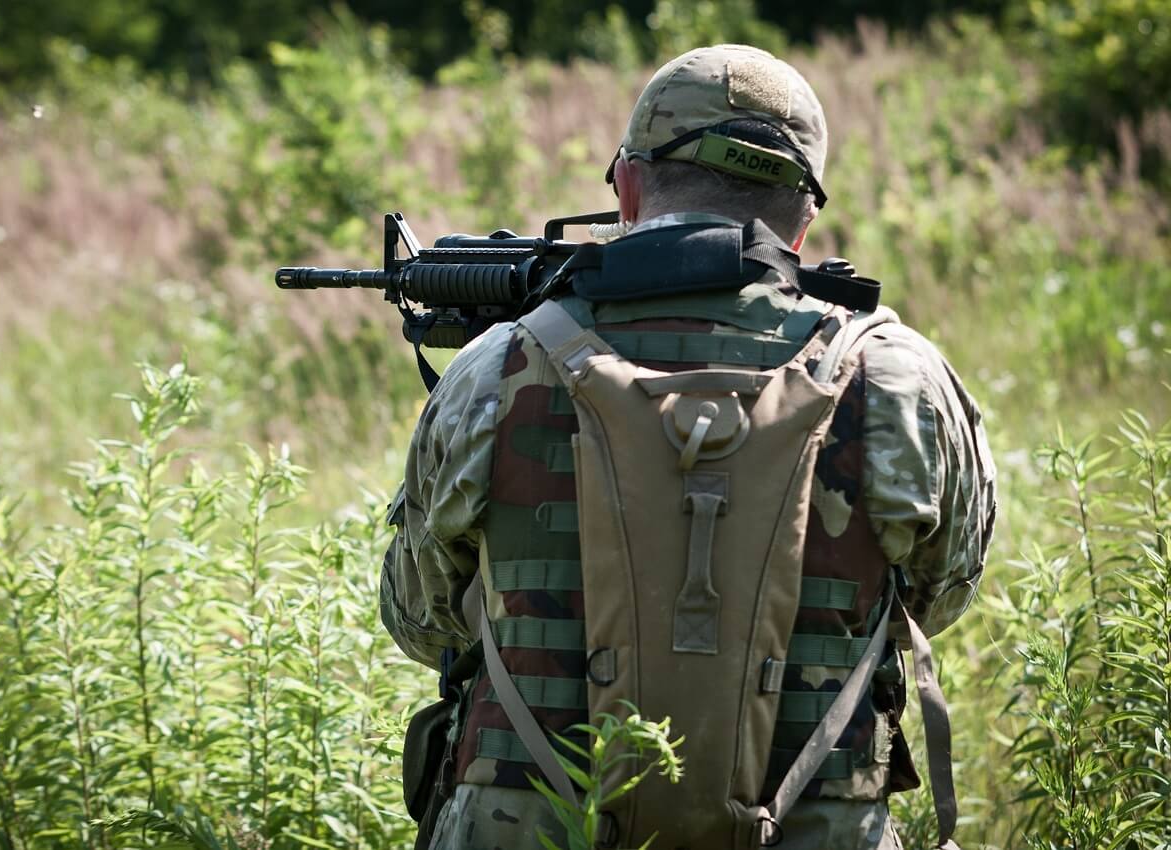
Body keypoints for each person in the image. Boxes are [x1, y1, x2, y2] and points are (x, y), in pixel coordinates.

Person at [381, 44, 996, 850]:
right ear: (804, 216)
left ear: (628, 185)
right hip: (814, 825)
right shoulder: (896, 375)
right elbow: (938, 595)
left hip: (528, 823)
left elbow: (420, 618)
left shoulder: (497, 367)